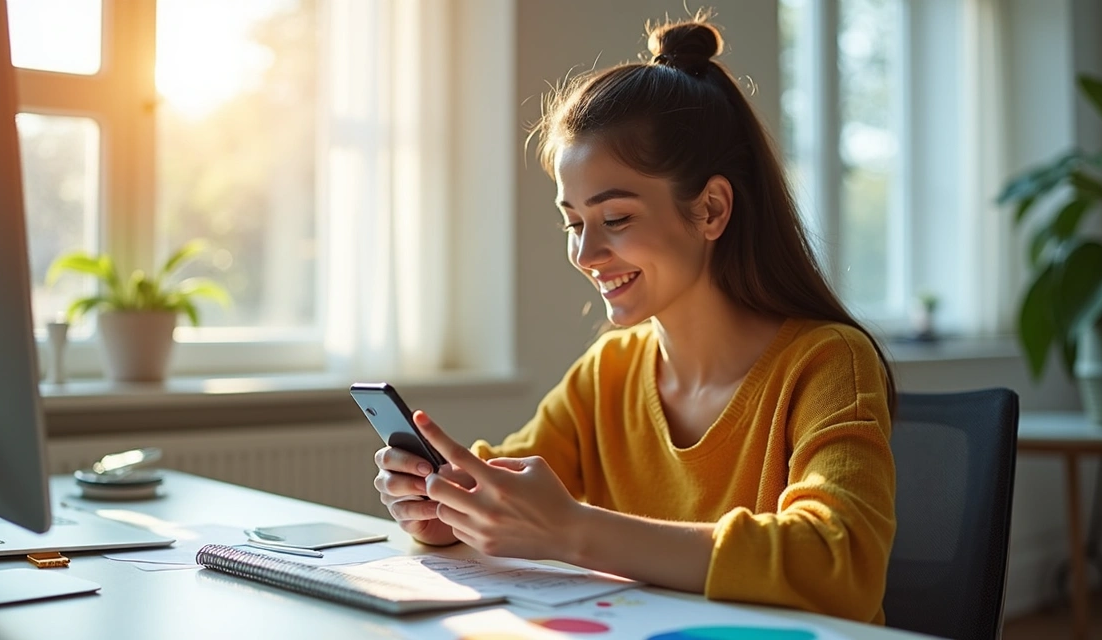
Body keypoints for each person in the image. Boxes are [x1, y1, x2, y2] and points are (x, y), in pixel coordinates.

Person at [372, 14, 897, 625]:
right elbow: (508, 494)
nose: (585, 254)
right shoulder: (611, 371)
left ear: (710, 209)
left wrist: (574, 531)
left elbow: (841, 565)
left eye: (615, 219)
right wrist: (441, 506)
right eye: (574, 223)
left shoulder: (827, 361)